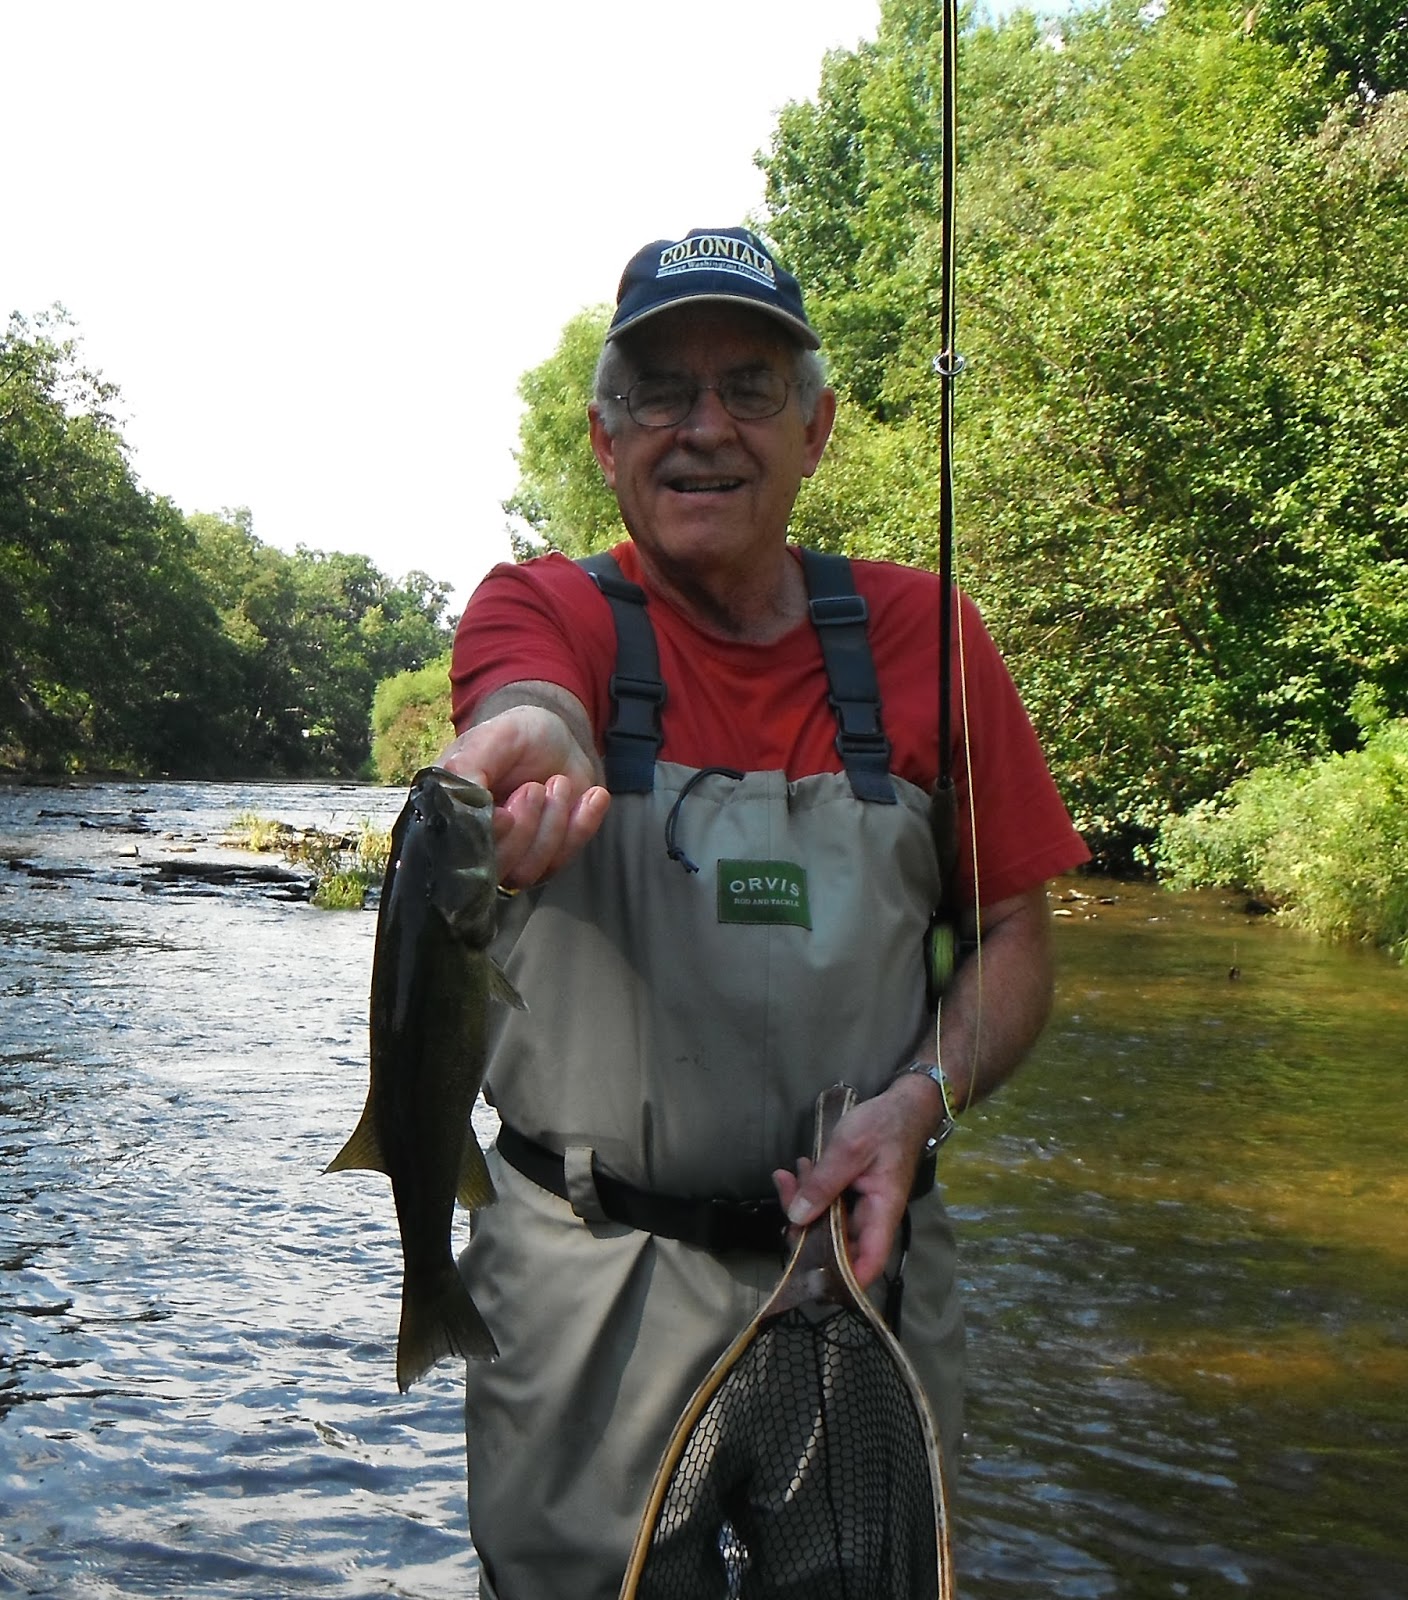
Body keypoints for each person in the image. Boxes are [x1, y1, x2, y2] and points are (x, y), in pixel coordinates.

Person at [441, 225, 1089, 1600]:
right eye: (661, 392)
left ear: (818, 430)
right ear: (608, 440)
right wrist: (515, 755)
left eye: (748, 386)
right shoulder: (547, 607)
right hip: (585, 1285)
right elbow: (525, 699)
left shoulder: (930, 636)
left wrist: (925, 1096)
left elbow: (1017, 934)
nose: (704, 428)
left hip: (864, 1271)